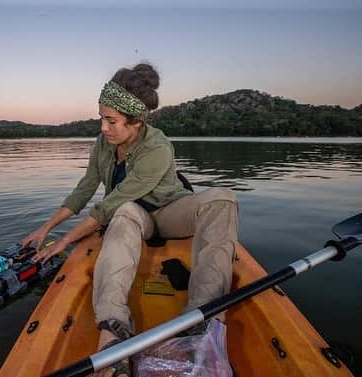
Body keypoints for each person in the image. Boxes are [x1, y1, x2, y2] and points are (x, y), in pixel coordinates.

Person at [23, 63, 238, 377]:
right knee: (124, 212)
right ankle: (113, 333)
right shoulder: (103, 145)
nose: (103, 128)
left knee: (223, 199)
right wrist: (47, 229)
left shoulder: (157, 147)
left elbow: (107, 205)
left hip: (167, 212)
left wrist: (67, 241)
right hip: (134, 216)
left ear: (136, 122)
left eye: (111, 121)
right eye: (101, 118)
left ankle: (201, 321)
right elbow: (86, 189)